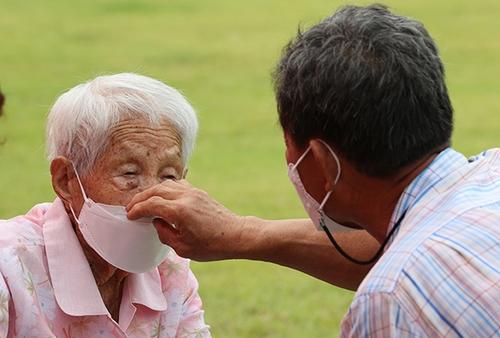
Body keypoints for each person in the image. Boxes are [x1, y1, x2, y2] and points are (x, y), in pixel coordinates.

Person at [126, 5, 500, 337]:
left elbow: (406, 270)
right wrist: (241, 234)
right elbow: (403, 247)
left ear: (322, 163)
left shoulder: (389, 303)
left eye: (290, 144)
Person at [0, 73, 210, 337]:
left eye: (168, 176)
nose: (152, 198)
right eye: (129, 174)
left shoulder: (171, 271)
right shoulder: (9, 271)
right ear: (66, 180)